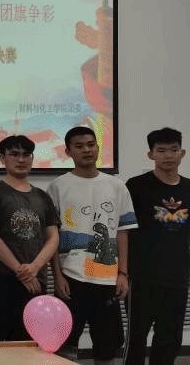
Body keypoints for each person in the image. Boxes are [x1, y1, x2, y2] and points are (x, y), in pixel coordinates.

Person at [49, 126, 137, 365]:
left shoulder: (116, 186)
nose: (86, 150)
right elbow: (52, 236)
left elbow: (123, 232)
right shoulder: (57, 186)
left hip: (107, 279)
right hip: (71, 278)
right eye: (79, 146)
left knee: (107, 347)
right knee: (63, 345)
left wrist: (123, 273)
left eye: (90, 145)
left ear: (98, 148)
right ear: (68, 152)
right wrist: (57, 276)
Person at [0, 135, 60, 341]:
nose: (21, 159)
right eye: (14, 154)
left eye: (26, 155)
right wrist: (22, 272)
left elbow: (53, 237)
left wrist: (34, 268)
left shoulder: (43, 196)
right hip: (1, 277)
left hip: (36, 278)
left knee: (28, 340)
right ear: (2, 158)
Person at [124, 128, 188, 365]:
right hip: (142, 278)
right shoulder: (136, 186)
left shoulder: (189, 187)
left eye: (173, 150)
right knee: (136, 340)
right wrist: (123, 272)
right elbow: (124, 231)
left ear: (182, 153)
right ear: (150, 154)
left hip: (178, 278)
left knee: (170, 341)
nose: (168, 155)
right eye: (161, 150)